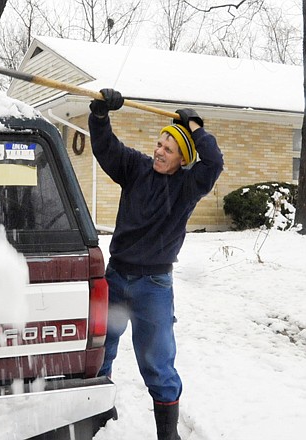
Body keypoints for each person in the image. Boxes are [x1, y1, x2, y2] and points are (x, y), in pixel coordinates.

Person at [88, 89, 224, 440]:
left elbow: (214, 163)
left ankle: (168, 434)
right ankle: (98, 413)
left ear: (182, 158)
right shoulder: (136, 169)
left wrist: (195, 128)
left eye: (169, 148)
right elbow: (107, 148)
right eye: (159, 144)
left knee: (158, 363)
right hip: (117, 276)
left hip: (154, 287)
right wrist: (101, 115)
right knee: (101, 349)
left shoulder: (188, 186)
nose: (159, 151)